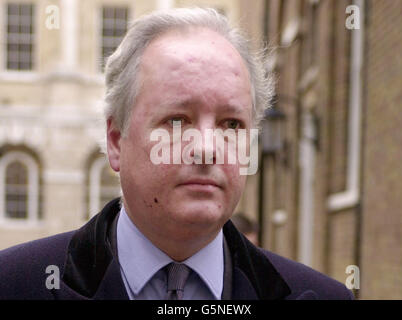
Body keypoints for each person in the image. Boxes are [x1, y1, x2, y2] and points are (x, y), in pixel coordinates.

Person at [0, 8, 353, 300]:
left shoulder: (322, 296)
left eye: (231, 125)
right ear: (115, 140)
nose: (207, 148)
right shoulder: (14, 285)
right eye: (177, 120)